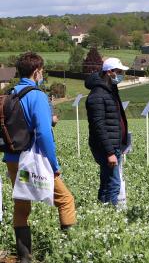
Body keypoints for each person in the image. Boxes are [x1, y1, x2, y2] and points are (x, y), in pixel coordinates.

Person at [3, 52, 76, 263]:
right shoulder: (37, 95)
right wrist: (54, 165)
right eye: (42, 71)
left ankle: (24, 257)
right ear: (37, 71)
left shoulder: (11, 93)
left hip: (12, 158)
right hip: (33, 160)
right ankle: (69, 253)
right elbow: (43, 134)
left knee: (22, 205)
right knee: (65, 200)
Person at [85, 57, 129, 206]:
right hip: (106, 147)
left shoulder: (110, 90)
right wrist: (110, 152)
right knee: (114, 183)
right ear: (109, 72)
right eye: (119, 71)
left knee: (106, 181)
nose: (121, 74)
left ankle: (102, 209)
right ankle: (110, 213)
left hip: (113, 145)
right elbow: (99, 126)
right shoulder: (98, 95)